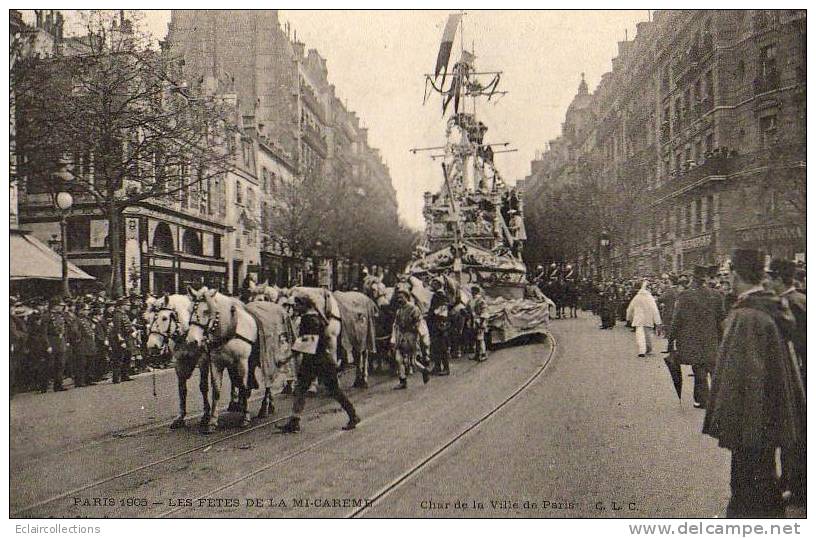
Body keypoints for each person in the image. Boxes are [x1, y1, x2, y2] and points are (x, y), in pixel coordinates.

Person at [703, 249, 806, 518]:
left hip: (751, 423)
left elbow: (745, 378)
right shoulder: (768, 308)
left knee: (748, 486)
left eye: (729, 273)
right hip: (766, 419)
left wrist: (738, 426)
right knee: (763, 481)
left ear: (737, 273)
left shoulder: (747, 316)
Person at [277, 295, 361, 433]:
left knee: (330, 390)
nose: (294, 308)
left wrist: (286, 358)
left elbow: (306, 343)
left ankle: (353, 415)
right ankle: (294, 421)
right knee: (303, 389)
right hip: (321, 360)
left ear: (304, 305)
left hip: (315, 361)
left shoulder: (308, 320)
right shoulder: (318, 318)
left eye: (296, 305)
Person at [669, 265, 726, 408]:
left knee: (699, 367)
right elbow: (722, 319)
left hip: (692, 339)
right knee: (713, 366)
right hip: (711, 338)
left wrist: (671, 340)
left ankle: (702, 400)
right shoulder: (716, 295)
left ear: (693, 278)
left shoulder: (685, 296)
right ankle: (718, 398)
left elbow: (677, 319)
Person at [390, 289, 432, 388]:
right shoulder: (399, 310)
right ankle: (403, 380)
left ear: (407, 297)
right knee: (398, 359)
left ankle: (424, 371)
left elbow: (418, 323)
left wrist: (417, 335)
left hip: (411, 337)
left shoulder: (413, 308)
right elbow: (396, 324)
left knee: (412, 361)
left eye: (402, 297)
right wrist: (394, 338)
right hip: (401, 337)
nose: (400, 299)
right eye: (398, 297)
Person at [626, 280, 662, 357]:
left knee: (639, 335)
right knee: (648, 335)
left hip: (638, 319)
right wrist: (658, 322)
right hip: (648, 319)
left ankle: (641, 350)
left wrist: (628, 318)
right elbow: (655, 310)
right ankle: (648, 349)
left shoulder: (637, 297)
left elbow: (630, 308)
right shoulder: (650, 298)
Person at [43, 297, 70, 392]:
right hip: (52, 341)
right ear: (54, 306)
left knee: (61, 364)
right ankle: (44, 385)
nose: (61, 307)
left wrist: (66, 340)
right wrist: (47, 345)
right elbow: (44, 332)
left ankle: (58, 385)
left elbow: (65, 329)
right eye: (59, 305)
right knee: (50, 365)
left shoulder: (61, 315)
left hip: (60, 341)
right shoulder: (47, 316)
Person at [427, 281, 451, 376]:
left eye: (433, 283)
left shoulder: (441, 295)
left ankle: (446, 368)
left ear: (438, 285)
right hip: (437, 323)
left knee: (442, 346)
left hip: (440, 324)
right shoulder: (438, 295)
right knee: (436, 346)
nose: (431, 285)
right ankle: (437, 367)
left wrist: (431, 315)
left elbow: (442, 310)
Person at [109, 298, 133, 383]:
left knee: (127, 356)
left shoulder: (124, 314)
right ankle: (116, 377)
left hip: (127, 338)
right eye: (127, 305)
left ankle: (125, 375)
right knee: (119, 357)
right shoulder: (117, 315)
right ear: (121, 306)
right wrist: (121, 341)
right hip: (121, 339)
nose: (129, 306)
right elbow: (117, 329)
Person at [470, 285, 489, 362]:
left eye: (473, 291)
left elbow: (484, 312)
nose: (472, 292)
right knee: (477, 338)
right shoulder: (473, 300)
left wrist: (481, 322)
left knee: (480, 338)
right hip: (475, 320)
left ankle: (483, 354)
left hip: (479, 321)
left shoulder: (480, 300)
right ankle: (477, 354)